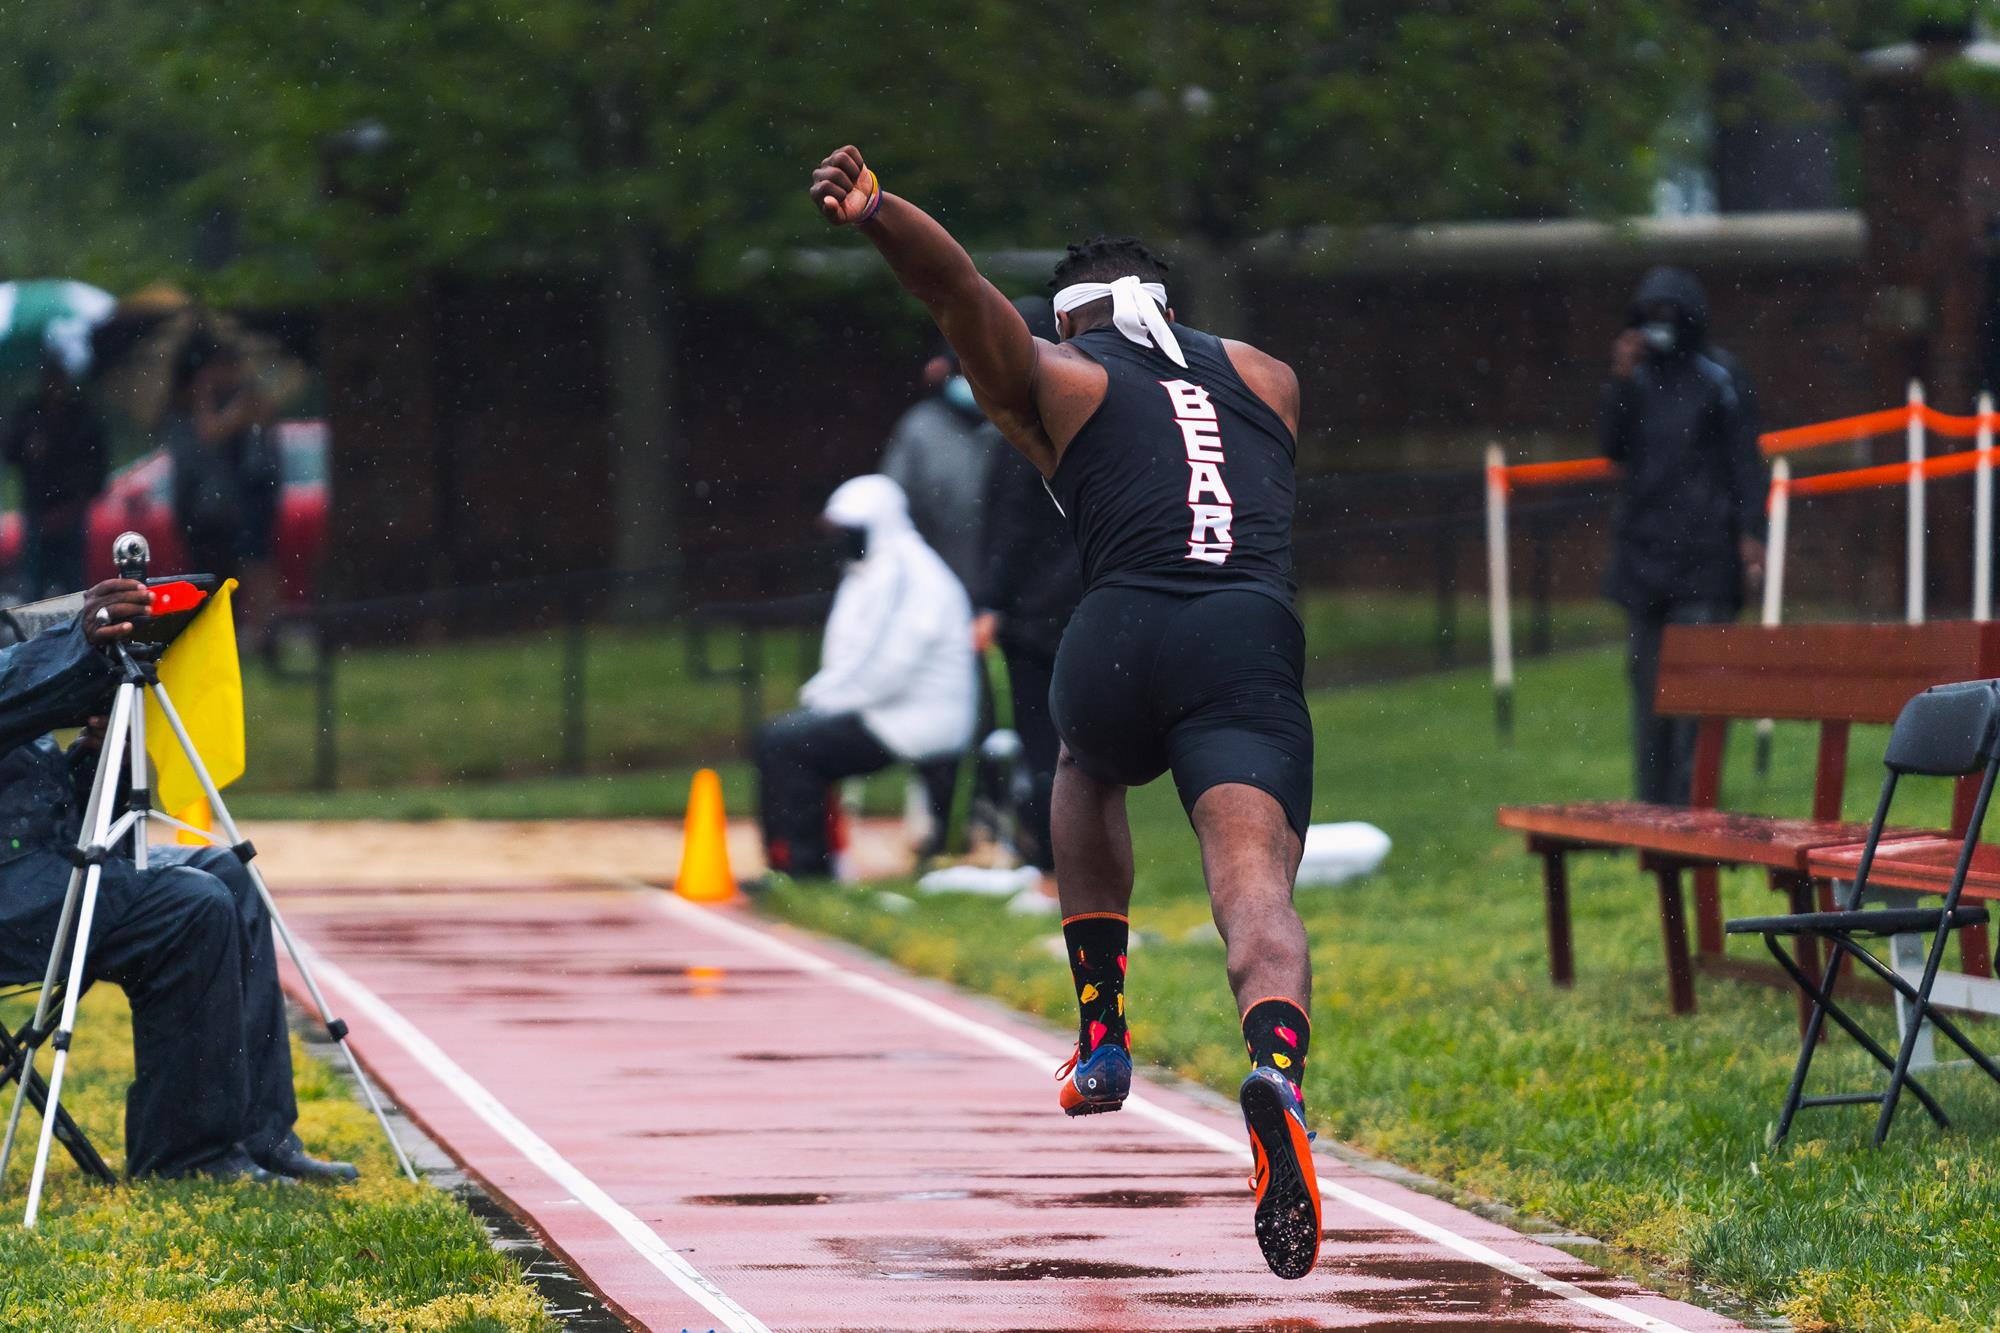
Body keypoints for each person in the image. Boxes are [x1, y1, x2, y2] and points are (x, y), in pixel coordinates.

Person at [810, 147, 1321, 1280]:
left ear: (1066, 319)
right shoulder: (1269, 374)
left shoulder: (1063, 375)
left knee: (1086, 768)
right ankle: (1276, 1069)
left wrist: (881, 212)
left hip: (1122, 630)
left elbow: (956, 295)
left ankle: (1102, 1030)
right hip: (1247, 638)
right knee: (1252, 889)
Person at [0, 579, 355, 1182]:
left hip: (32, 868)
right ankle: (186, 1158)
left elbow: (47, 808)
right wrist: (79, 641)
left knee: (222, 871)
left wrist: (93, 750)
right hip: (11, 891)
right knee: (188, 906)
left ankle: (260, 1137)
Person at [754, 475, 975, 880]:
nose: (840, 540)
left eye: (848, 530)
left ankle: (806, 870)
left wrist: (823, 702)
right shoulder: (873, 568)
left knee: (789, 745)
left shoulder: (906, 573)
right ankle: (789, 862)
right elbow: (854, 655)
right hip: (889, 709)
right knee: (781, 737)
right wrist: (823, 698)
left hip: (916, 717)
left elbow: (887, 665)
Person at [1601, 267, 1766, 805]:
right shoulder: (1638, 379)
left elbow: (1745, 463)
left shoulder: (1721, 377)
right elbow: (1613, 447)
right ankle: (1653, 811)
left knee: (1697, 695)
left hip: (1705, 561)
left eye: (1669, 316)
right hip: (1646, 559)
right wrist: (1620, 381)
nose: (1660, 328)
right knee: (1648, 697)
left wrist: (1750, 535)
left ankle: (1693, 807)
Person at [970, 296, 1084, 884]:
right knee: (1080, 748)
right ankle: (1074, 862)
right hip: (1087, 605)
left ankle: (1049, 863)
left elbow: (1011, 528)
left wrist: (990, 602)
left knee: (1045, 746)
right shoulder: (1089, 410)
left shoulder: (1021, 425)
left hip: (1036, 613)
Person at [160, 332, 281, 641]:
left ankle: (261, 628)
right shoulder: (232, 400)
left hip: (254, 493)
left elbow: (210, 431)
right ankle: (255, 627)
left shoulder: (247, 398)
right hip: (239, 496)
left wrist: (203, 396)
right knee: (248, 563)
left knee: (255, 564)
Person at [1, 358, 109, 600]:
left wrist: (79, 500)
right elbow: (10, 453)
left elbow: (96, 462)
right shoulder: (29, 414)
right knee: (34, 587)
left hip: (71, 510)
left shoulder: (80, 416)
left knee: (74, 586)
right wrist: (28, 449)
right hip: (38, 511)